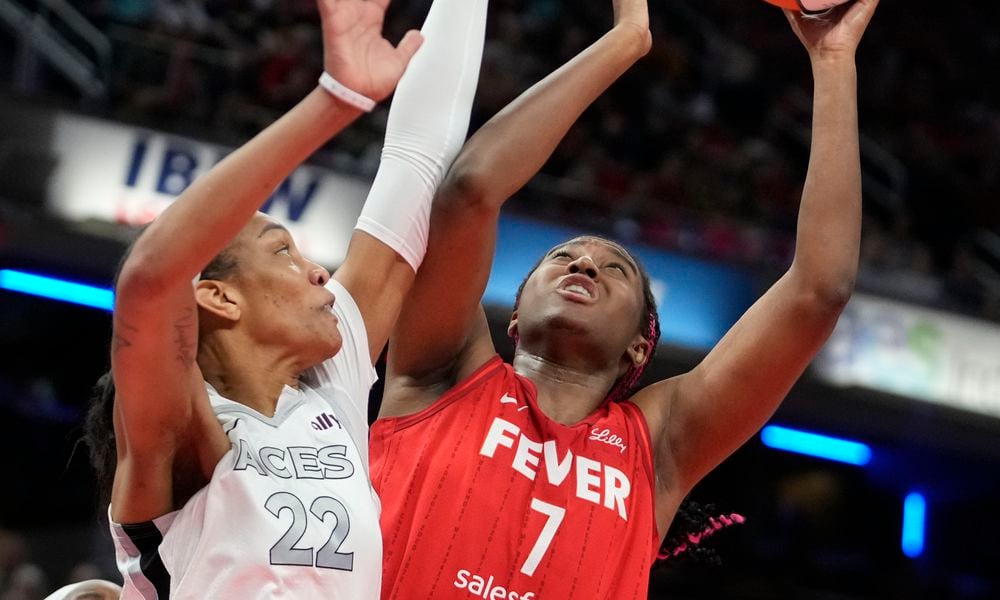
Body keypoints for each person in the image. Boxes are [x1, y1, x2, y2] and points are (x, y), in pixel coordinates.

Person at [370, 0, 880, 597]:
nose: (585, 261)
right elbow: (469, 190)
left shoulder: (660, 444)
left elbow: (819, 292)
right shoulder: (443, 372)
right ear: (514, 314)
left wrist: (834, 60)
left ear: (641, 346)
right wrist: (626, 40)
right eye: (563, 258)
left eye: (615, 270)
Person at [81, 0, 488, 595]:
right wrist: (335, 100)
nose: (320, 273)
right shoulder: (185, 432)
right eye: (283, 252)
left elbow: (416, 164)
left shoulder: (330, 393)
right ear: (218, 297)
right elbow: (150, 278)